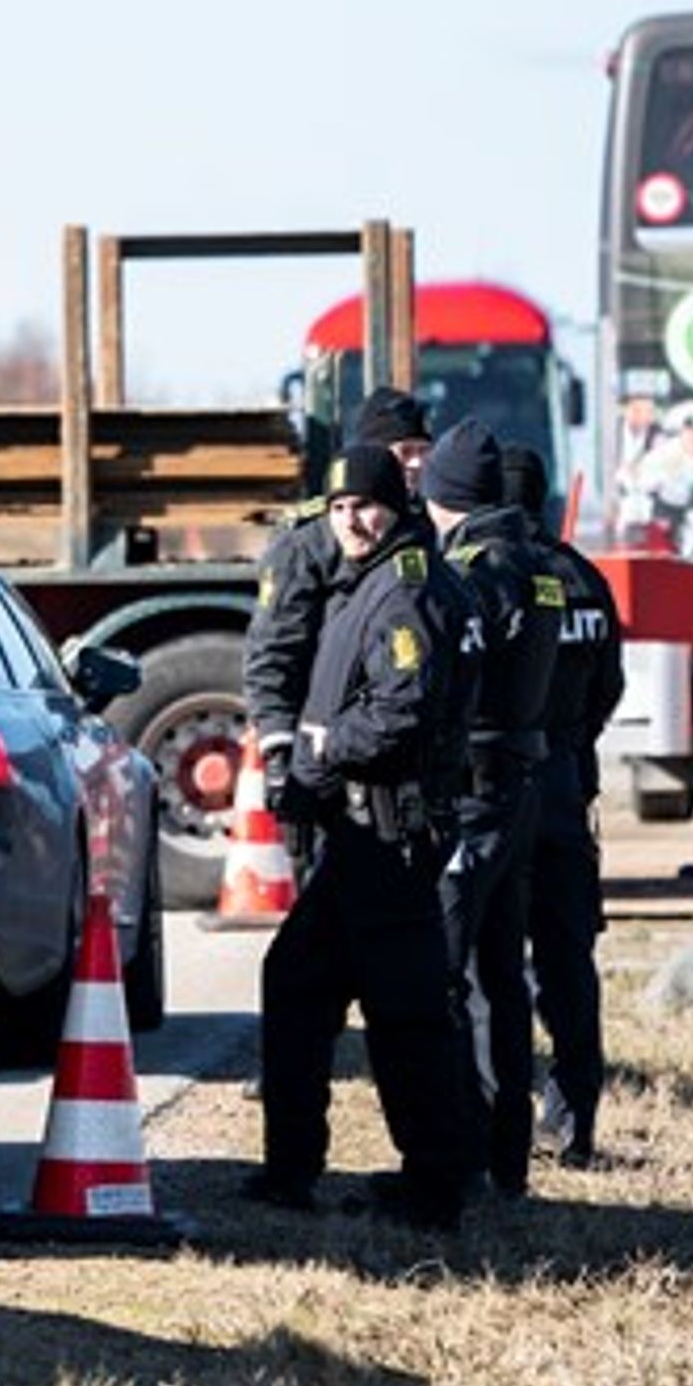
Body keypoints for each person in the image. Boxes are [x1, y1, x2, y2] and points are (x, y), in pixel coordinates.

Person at [245, 443, 473, 1230]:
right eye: (339, 507)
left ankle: (436, 1184)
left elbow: (403, 709)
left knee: (405, 1015)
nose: (351, 519)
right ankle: (289, 1169)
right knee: (297, 985)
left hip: (391, 831)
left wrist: (320, 748)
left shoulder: (404, 590)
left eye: (365, 505)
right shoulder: (363, 580)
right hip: (357, 835)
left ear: (398, 506)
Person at [421, 418, 562, 1200]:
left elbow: (448, 679)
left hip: (473, 792)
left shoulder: (474, 570)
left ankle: (457, 1157)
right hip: (521, 787)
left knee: (442, 974)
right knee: (501, 979)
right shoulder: (538, 565)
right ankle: (505, 1159)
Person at [501, 447, 624, 1169]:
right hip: (567, 788)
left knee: (493, 968)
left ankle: (500, 1126)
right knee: (568, 963)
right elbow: (608, 688)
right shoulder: (585, 579)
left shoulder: (483, 573)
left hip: (500, 788)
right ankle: (573, 1122)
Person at [244, 387, 432, 843]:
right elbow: (273, 653)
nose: (416, 465)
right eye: (403, 452)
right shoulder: (309, 542)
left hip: (395, 761)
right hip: (323, 756)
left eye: (424, 452)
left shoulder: (423, 528)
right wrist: (280, 756)